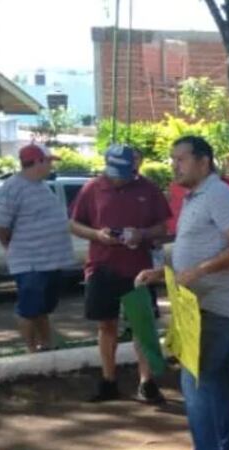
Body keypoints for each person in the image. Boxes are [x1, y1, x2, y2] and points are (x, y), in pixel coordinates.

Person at [134, 136, 229, 450]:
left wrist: (200, 270)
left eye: (181, 159)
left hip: (215, 306)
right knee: (219, 377)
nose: (175, 165)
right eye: (173, 159)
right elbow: (193, 248)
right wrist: (163, 273)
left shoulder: (217, 194)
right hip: (202, 304)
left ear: (203, 161)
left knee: (194, 377)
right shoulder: (195, 198)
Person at [68, 144, 171, 403]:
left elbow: (162, 226)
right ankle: (108, 379)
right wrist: (97, 235)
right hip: (102, 267)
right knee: (106, 324)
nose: (120, 177)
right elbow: (74, 224)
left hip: (140, 270)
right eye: (116, 171)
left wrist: (142, 234)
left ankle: (146, 382)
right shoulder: (92, 188)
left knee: (142, 325)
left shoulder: (148, 189)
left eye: (126, 171)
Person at [0, 144, 75, 352]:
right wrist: (13, 247)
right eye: (48, 161)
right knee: (28, 309)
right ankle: (31, 350)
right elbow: (0, 226)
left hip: (49, 261)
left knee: (43, 308)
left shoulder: (41, 185)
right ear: (37, 162)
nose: (51, 166)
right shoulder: (12, 188)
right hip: (30, 262)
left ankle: (46, 345)